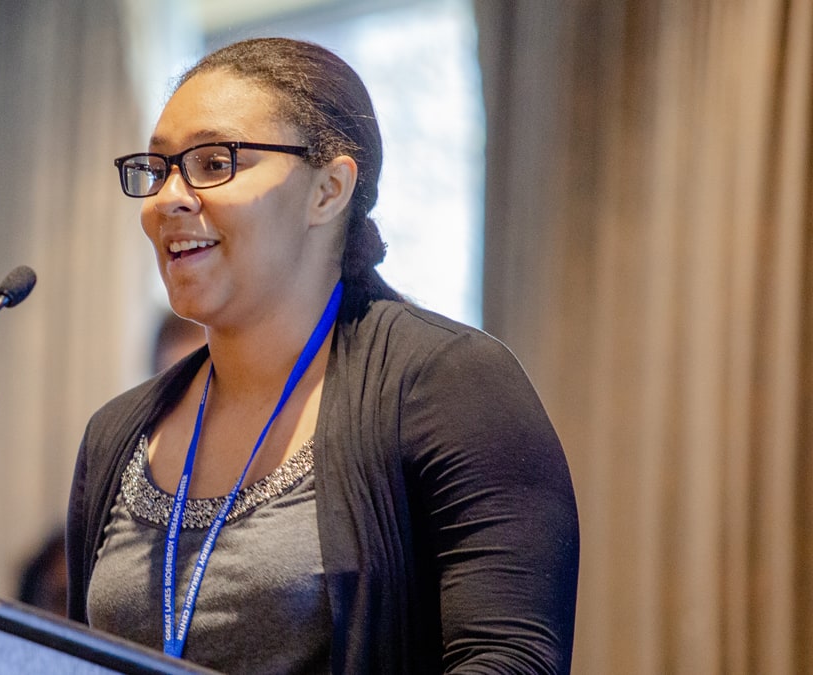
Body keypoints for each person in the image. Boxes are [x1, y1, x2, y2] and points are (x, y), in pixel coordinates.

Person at [66, 37, 579, 674]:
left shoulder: (449, 386)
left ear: (328, 190)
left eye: (212, 161)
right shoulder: (116, 435)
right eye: (159, 167)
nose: (167, 197)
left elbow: (512, 660)